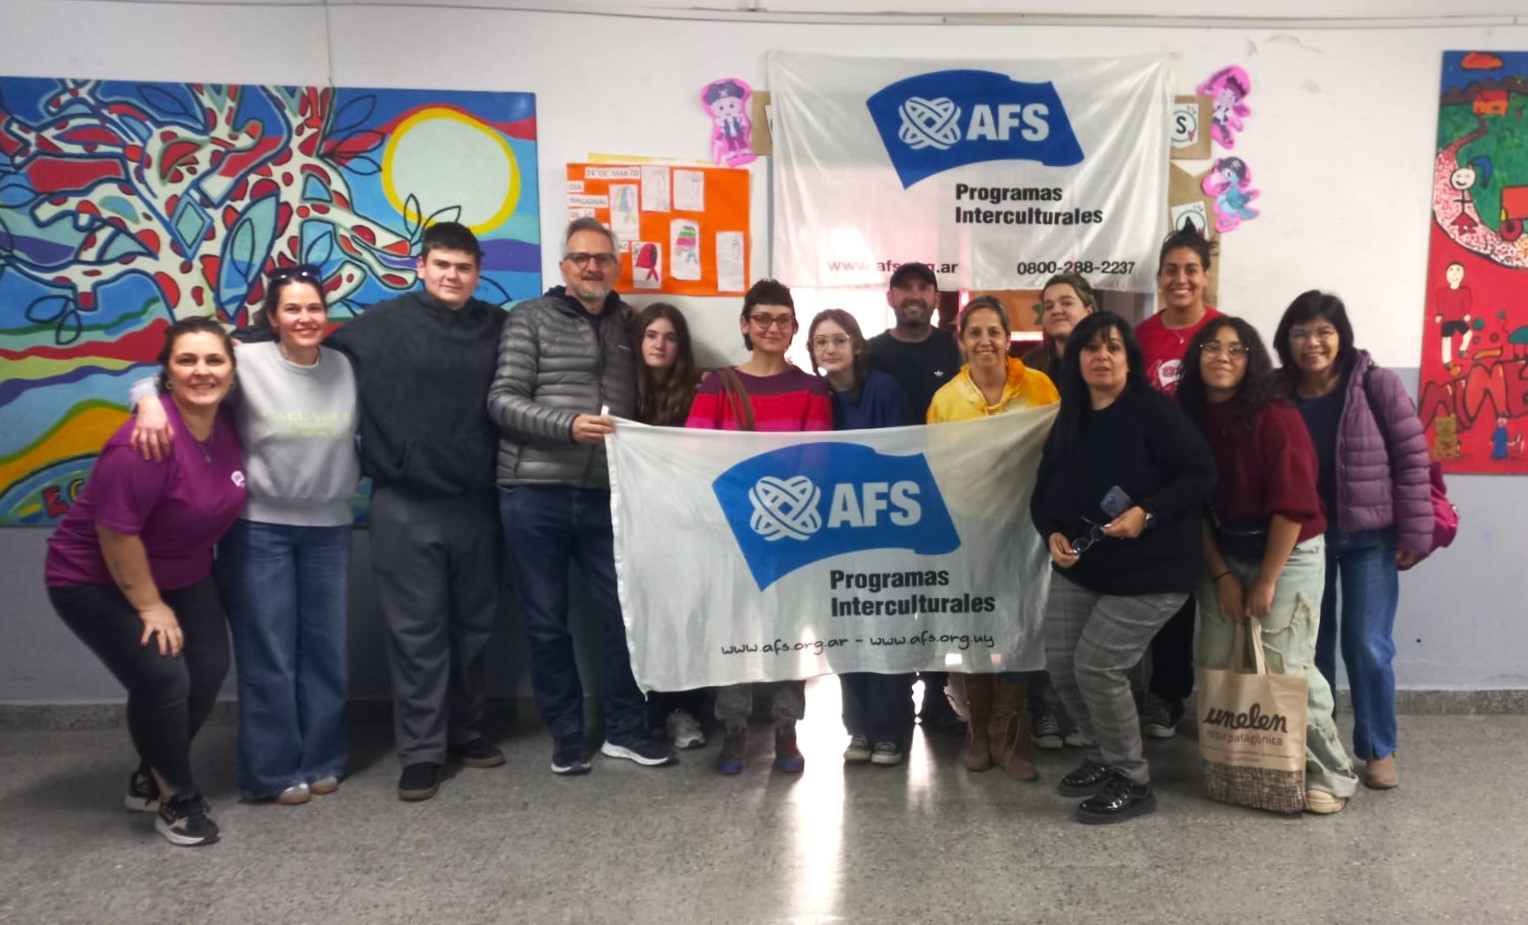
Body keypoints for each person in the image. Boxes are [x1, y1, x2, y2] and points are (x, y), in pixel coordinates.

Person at [130, 266, 360, 806]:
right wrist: (145, 401)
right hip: (259, 531)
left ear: (326, 315)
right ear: (273, 317)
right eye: (293, 309)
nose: (305, 318)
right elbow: (171, 374)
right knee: (269, 654)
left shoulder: (346, 367)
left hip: (331, 529)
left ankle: (323, 758)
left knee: (326, 652)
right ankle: (271, 772)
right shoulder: (245, 361)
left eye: (314, 308)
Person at [319, 221, 507, 801]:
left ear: (478, 273)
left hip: (478, 501)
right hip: (405, 504)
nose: (453, 276)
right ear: (420, 266)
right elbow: (285, 338)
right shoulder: (377, 328)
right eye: (442, 265)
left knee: (473, 631)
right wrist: (150, 391)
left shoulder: (500, 327)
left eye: (465, 267)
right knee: (418, 636)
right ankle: (422, 753)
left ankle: (464, 732)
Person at [45, 317, 245, 846]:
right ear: (166, 373)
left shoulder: (225, 422)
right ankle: (176, 798)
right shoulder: (142, 444)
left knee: (208, 670)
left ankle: (148, 770)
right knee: (163, 678)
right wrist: (151, 607)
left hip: (185, 571)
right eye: (187, 361)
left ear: (232, 369)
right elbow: (116, 536)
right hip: (95, 579)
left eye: (213, 360)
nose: (202, 371)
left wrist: (146, 394)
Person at [490, 218, 677, 776]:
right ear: (563, 266)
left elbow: (654, 392)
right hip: (534, 490)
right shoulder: (528, 318)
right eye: (580, 258)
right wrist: (566, 424)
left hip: (607, 496)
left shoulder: (629, 323)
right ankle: (567, 735)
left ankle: (624, 729)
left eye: (601, 258)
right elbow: (501, 401)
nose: (591, 267)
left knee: (623, 618)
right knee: (546, 622)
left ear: (616, 266)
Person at [1030, 312, 1216, 824]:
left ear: (1129, 358)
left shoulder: (1153, 412)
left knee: (1098, 666)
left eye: (1113, 347)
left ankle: (1133, 780)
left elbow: (1201, 472)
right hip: (1085, 566)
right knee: (1064, 665)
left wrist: (1146, 513)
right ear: (1077, 358)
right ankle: (1102, 754)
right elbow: (1041, 497)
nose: (1101, 356)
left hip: (1152, 570)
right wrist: (1051, 534)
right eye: (1091, 348)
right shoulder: (1072, 415)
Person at [1177, 316, 1360, 814]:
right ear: (1195, 358)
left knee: (1286, 664)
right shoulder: (1186, 416)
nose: (1222, 356)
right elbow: (1192, 506)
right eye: (1211, 347)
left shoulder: (1276, 417)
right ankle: (1240, 764)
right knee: (1216, 656)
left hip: (1289, 548)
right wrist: (1221, 576)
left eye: (1237, 350)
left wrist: (1266, 581)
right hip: (1222, 550)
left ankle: (1330, 774)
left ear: (1252, 361)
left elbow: (1293, 508)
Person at [1273, 291, 1431, 791]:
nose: (1312, 342)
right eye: (1300, 332)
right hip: (1305, 541)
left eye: (1323, 331)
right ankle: (1319, 743)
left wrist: (1415, 531)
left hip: (1370, 538)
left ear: (1341, 337)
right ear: (1287, 340)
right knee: (1310, 648)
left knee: (1367, 645)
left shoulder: (1375, 384)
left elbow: (1412, 460)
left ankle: (1378, 748)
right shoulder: (1275, 391)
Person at [686, 279, 833, 774]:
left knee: (791, 634)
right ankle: (732, 731)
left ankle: (788, 730)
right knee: (733, 632)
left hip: (791, 536)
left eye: (783, 319)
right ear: (746, 325)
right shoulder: (716, 384)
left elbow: (813, 462)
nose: (773, 327)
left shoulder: (813, 388)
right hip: (728, 535)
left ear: (794, 328)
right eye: (763, 318)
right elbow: (696, 457)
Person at [925, 296, 1059, 781]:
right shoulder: (945, 401)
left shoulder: (1040, 389)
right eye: (974, 332)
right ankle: (976, 732)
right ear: (961, 342)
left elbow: (1057, 454)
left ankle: (1007, 739)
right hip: (968, 531)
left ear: (1008, 338)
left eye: (993, 332)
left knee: (1020, 631)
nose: (985, 341)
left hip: (1025, 531)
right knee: (971, 632)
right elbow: (935, 469)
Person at [806, 308, 916, 767]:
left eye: (838, 340)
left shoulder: (884, 390)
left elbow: (905, 454)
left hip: (885, 528)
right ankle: (860, 729)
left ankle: (892, 728)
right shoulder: (811, 395)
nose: (830, 349)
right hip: (831, 533)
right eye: (820, 342)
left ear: (855, 344)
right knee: (844, 628)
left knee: (884, 624)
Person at [866, 262, 965, 735]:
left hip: (947, 488)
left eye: (924, 287)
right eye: (904, 287)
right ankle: (896, 693)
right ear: (890, 297)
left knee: (940, 596)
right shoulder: (871, 352)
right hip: (885, 493)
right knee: (895, 598)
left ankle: (936, 691)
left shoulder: (955, 347)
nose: (914, 294)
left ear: (935, 299)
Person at [1134, 227, 1224, 740]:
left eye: (1191, 269)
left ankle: (1226, 701)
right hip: (1158, 488)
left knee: (1223, 593)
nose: (1181, 279)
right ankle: (1168, 694)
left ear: (1205, 277)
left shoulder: (1226, 331)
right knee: (1171, 595)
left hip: (1218, 482)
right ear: (1160, 277)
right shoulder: (1142, 336)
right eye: (1172, 270)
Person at [1021, 272, 1100, 751]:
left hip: (1101, 509)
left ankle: (1088, 717)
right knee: (1044, 612)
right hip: (1044, 504)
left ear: (1089, 308)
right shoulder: (1029, 368)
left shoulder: (1110, 360)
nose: (1056, 310)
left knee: (1093, 621)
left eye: (1066, 301)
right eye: (1047, 304)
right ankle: (1045, 709)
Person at [632, 302, 708, 751]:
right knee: (641, 618)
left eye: (670, 337)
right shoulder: (622, 391)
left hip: (686, 526)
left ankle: (684, 711)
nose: (660, 345)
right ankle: (645, 710)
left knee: (686, 619)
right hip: (636, 523)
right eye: (651, 335)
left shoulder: (699, 391)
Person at [1022, 272, 1099, 379]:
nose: (1056, 311)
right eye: (1049, 306)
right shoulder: (1030, 366)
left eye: (1066, 303)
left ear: (1089, 312)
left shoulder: (1106, 360)